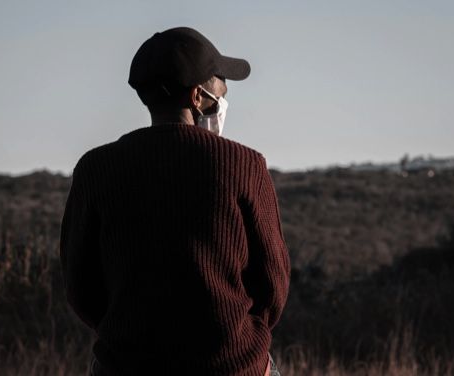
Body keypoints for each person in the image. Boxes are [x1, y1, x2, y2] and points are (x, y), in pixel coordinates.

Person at [60, 26, 290, 376]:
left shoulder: (95, 169)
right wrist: (237, 341)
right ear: (198, 97)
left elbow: (81, 286)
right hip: (232, 365)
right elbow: (273, 284)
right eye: (222, 89)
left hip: (126, 365)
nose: (225, 98)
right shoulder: (245, 165)